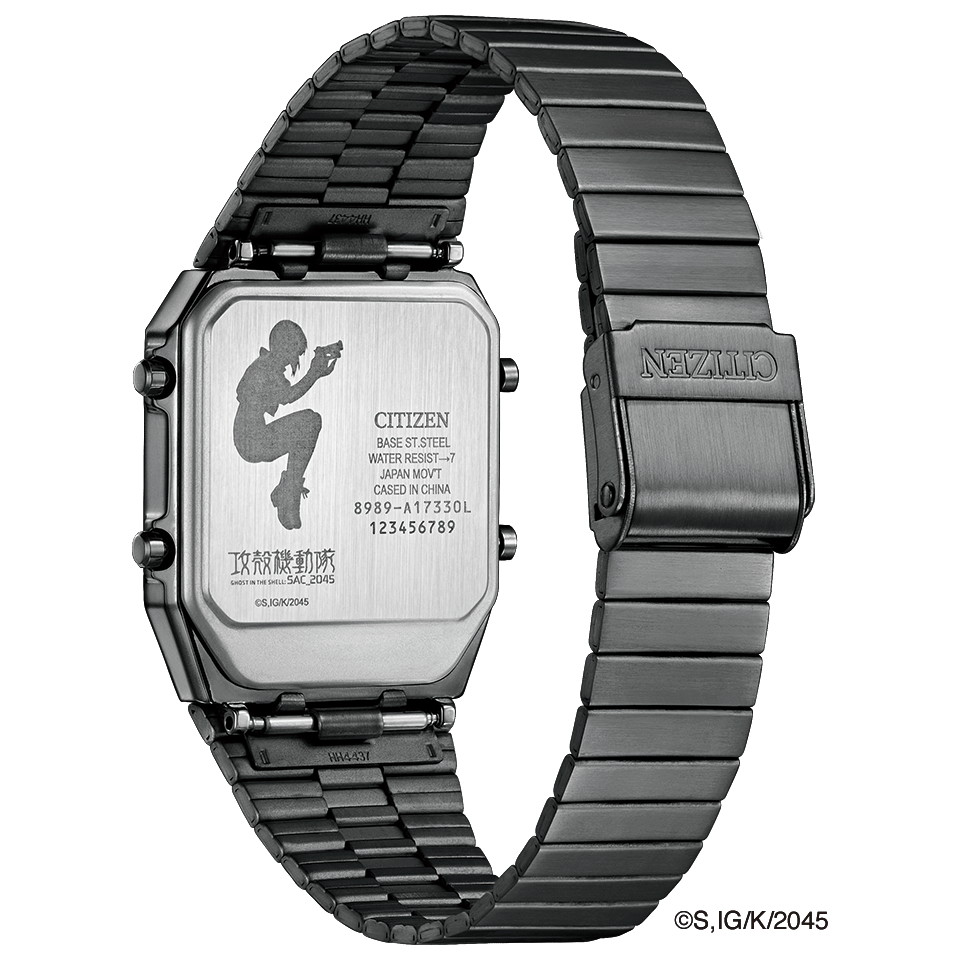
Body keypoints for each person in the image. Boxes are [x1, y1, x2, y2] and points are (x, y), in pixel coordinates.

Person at [234, 320, 342, 530]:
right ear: (284, 346)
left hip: (253, 435)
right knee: (310, 422)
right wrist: (314, 373)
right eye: (295, 352)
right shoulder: (264, 368)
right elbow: (287, 396)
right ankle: (288, 491)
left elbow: (285, 395)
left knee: (309, 422)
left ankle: (288, 490)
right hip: (251, 441)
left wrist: (315, 374)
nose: (296, 359)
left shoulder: (267, 365)